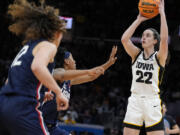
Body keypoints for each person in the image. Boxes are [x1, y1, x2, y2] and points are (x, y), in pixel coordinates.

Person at [0, 0, 69, 134]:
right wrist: (58, 92)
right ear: (57, 33)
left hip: (3, 103)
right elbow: (37, 67)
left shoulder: (27, 47)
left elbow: (10, 82)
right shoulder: (48, 45)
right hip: (22, 109)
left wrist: (41, 95)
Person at [41, 46, 118, 135]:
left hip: (52, 127)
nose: (75, 61)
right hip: (39, 125)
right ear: (67, 61)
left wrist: (109, 63)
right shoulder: (56, 72)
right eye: (72, 59)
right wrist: (88, 71)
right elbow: (61, 75)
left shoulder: (68, 81)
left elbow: (92, 76)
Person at [121, 0, 168, 135]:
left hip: (152, 101)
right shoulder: (136, 54)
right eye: (142, 35)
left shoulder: (159, 57)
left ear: (155, 41)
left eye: (147, 36)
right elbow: (124, 39)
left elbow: (164, 40)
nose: (143, 38)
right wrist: (138, 20)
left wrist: (162, 13)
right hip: (135, 100)